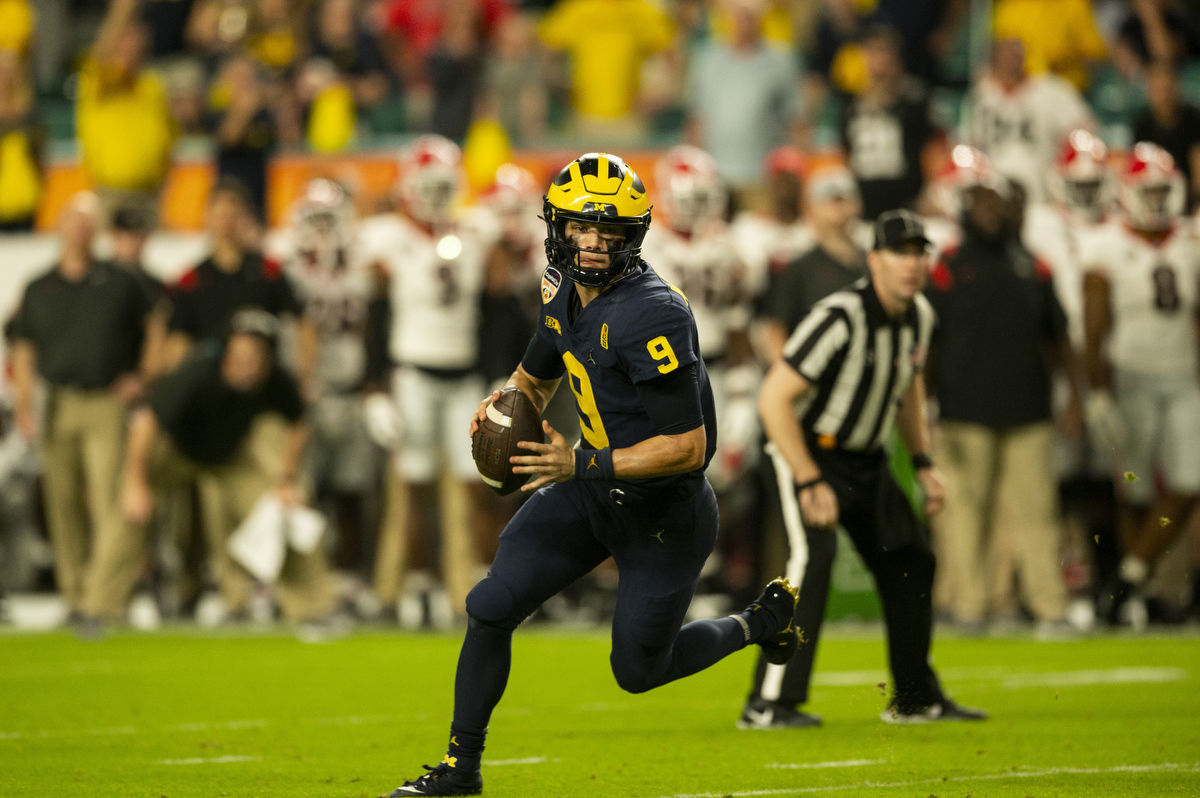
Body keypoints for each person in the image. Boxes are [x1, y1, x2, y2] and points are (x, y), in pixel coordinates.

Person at [382, 153, 800, 796]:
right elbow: (537, 372)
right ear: (558, 228)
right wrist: (504, 406)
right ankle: (461, 769)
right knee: (489, 606)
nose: (595, 245)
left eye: (611, 233)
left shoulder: (652, 314)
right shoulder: (558, 286)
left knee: (638, 670)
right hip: (591, 491)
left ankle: (758, 624)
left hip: (665, 513)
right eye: (582, 228)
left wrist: (581, 461)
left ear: (635, 237)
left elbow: (690, 447)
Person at [748, 208, 984, 728]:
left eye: (920, 252)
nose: (912, 263)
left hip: (866, 459)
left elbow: (908, 389)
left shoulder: (918, 315)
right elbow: (774, 399)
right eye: (900, 252)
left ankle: (915, 698)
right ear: (874, 260)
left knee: (912, 557)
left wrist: (923, 462)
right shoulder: (840, 316)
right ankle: (768, 703)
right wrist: (809, 477)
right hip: (805, 450)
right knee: (814, 558)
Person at [925, 147, 1083, 634]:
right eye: (983, 205)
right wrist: (926, 403)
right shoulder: (946, 266)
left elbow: (1058, 338)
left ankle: (1049, 607)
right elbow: (927, 342)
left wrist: (1077, 396)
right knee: (964, 517)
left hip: (1028, 409)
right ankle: (970, 607)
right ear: (966, 209)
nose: (991, 214)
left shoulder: (1033, 266)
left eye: (998, 205)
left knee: (1037, 515)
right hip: (963, 411)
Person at [120, 309, 336, 622]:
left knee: (281, 508)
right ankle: (98, 606)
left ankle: (311, 609)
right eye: (240, 355)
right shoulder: (197, 370)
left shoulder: (275, 378)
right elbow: (146, 421)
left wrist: (286, 479)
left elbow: (299, 423)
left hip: (230, 457)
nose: (246, 365)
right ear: (226, 352)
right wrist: (135, 482)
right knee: (128, 509)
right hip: (178, 450)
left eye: (255, 357)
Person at [358, 135, 489, 626]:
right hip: (411, 373)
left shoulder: (476, 233)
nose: (435, 194)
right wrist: (375, 387)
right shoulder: (384, 238)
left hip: (464, 374)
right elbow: (373, 313)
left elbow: (493, 307)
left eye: (442, 185)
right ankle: (404, 585)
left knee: (469, 484)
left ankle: (465, 588)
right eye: (426, 185)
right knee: (410, 484)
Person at [9, 193, 154, 628]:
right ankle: (74, 594)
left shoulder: (121, 282)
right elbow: (24, 350)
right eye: (74, 220)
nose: (81, 229)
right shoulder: (39, 287)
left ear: (98, 232)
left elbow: (156, 328)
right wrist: (23, 403)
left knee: (109, 497)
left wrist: (143, 377)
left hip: (106, 399)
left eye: (90, 222)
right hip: (58, 400)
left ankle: (102, 596)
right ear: (60, 226)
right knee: (62, 503)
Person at [1080, 142, 1200, 628]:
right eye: (1145, 189)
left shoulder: (1190, 241)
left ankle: (1128, 578)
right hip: (1130, 379)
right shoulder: (1105, 245)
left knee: (1189, 483)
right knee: (1133, 491)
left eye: (1160, 189)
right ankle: (1135, 594)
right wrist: (1099, 394)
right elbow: (1094, 330)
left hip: (1182, 377)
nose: (1154, 199)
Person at [278, 179, 385, 593]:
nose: (322, 230)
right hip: (302, 390)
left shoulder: (364, 262)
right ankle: (302, 581)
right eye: (315, 219)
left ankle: (348, 576)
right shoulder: (284, 262)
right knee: (303, 489)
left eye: (329, 219)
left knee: (352, 490)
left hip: (349, 388)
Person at [684, 0, 802, 196]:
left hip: (764, 182)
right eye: (739, 12)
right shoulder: (708, 62)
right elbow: (696, 123)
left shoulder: (782, 61)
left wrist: (791, 180)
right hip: (716, 182)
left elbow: (796, 124)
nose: (744, 19)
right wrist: (696, 174)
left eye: (749, 13)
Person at [75, 0, 176, 227]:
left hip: (151, 194)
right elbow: (100, 55)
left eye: (135, 39)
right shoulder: (101, 81)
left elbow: (168, 143)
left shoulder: (154, 87)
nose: (130, 46)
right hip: (111, 194)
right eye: (124, 39)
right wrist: (121, 11)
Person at [960, 37, 1096, 204]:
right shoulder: (980, 96)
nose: (1011, 58)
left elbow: (1085, 135)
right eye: (1006, 52)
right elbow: (967, 147)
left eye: (1015, 52)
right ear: (994, 57)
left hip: (1042, 191)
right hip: (992, 192)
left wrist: (1061, 169)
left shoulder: (1051, 90)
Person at [758, 165, 866, 362]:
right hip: (816, 380)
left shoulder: (872, 262)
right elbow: (775, 332)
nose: (839, 205)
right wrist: (788, 380)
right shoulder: (797, 267)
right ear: (810, 207)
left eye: (845, 197)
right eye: (831, 198)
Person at [840, 25, 937, 219]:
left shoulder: (915, 105)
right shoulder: (850, 107)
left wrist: (930, 193)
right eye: (872, 51)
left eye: (884, 51)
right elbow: (844, 155)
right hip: (862, 211)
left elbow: (934, 152)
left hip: (907, 208)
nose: (879, 60)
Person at [1133, 59, 1200, 212]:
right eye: (1158, 90)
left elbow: (1198, 176)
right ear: (1149, 91)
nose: (1164, 96)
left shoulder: (1194, 121)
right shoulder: (1142, 125)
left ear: (1177, 88)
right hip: (1149, 202)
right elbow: (1136, 169)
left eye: (1168, 89)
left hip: (1186, 205)